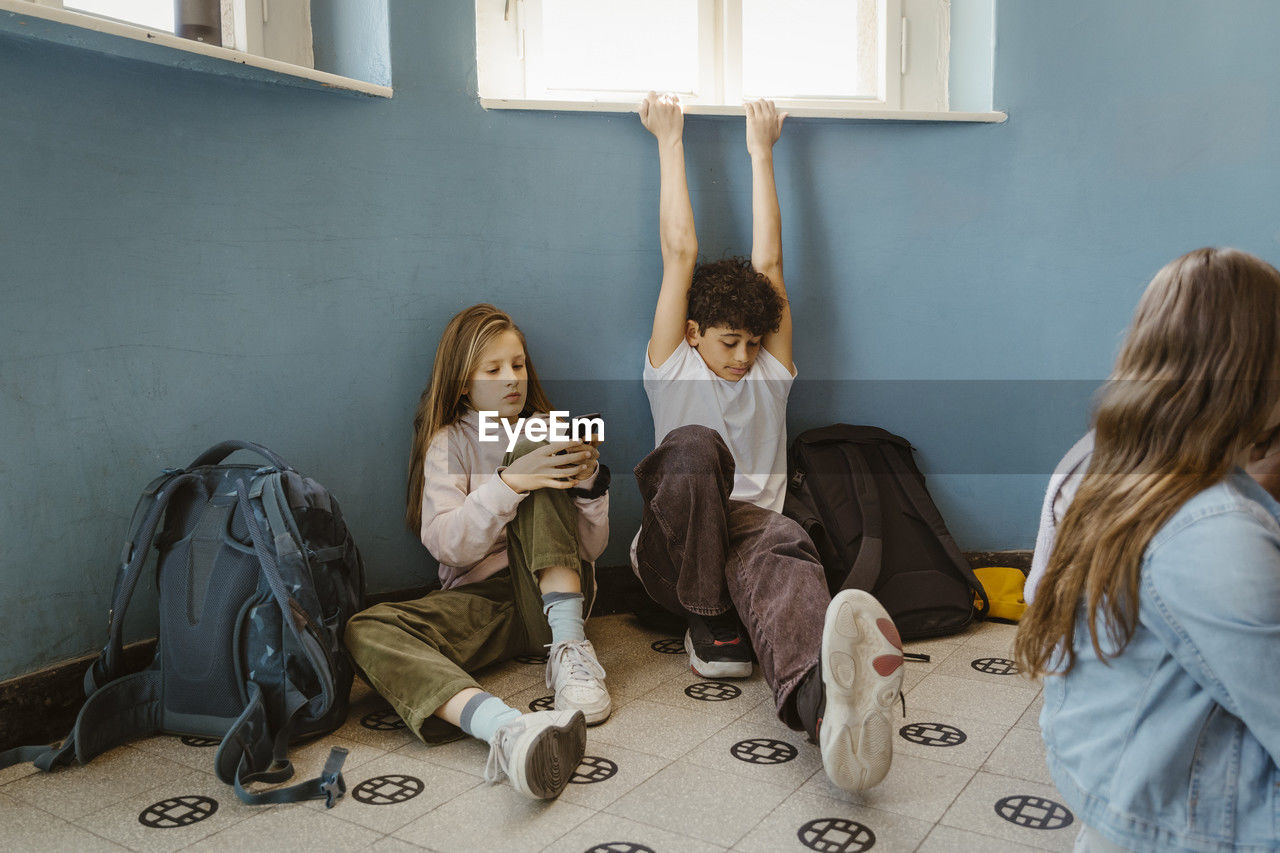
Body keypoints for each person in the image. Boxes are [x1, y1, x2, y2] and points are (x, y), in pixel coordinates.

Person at [632, 92, 905, 792]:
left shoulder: (771, 372)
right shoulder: (674, 362)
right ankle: (706, 618)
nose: (745, 356)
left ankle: (828, 717)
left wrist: (765, 152)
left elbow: (772, 266)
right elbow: (679, 251)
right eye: (730, 341)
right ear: (694, 334)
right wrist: (670, 139)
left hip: (750, 542)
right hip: (672, 550)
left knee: (784, 543)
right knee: (695, 447)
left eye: (754, 342)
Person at [1014, 248, 1280, 852]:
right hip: (1196, 823)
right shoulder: (1215, 533)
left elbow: (1039, 599)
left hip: (1121, 797)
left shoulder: (1094, 459)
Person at [345, 304, 612, 800]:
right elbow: (449, 545)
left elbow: (592, 549)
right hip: (485, 601)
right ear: (464, 383)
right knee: (366, 628)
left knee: (539, 438)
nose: (512, 379)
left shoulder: (547, 426)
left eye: (518, 365)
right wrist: (509, 484)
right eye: (493, 370)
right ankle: (506, 729)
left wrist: (591, 488)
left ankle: (571, 650)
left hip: (556, 595)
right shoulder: (449, 443)